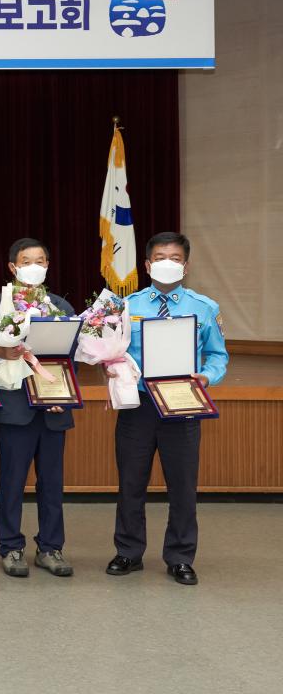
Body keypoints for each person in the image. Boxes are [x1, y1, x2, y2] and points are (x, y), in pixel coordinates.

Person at [107, 231, 227, 585]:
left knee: (183, 486)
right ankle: (128, 551)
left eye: (175, 258)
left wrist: (206, 377)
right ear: (147, 265)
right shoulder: (126, 306)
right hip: (139, 404)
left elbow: (218, 355)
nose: (167, 264)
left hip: (182, 403)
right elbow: (112, 350)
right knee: (131, 482)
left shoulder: (205, 307)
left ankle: (180, 556)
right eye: (160, 258)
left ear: (186, 266)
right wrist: (109, 365)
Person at [0, 238, 76, 578]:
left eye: (40, 260)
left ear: (48, 265)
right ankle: (10, 546)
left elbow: (70, 358)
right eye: (26, 261)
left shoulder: (61, 307)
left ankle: (51, 547)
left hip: (53, 407)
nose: (33, 266)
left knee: (52, 482)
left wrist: (62, 395)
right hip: (14, 408)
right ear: (13, 267)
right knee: (12, 481)